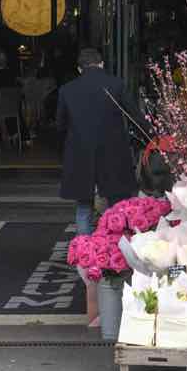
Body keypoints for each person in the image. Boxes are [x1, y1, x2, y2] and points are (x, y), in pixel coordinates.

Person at [56, 48, 139, 235]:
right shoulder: (116, 85)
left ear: (79, 68)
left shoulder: (67, 89)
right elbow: (135, 116)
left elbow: (60, 124)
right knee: (116, 206)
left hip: (80, 152)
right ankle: (115, 249)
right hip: (113, 152)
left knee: (83, 206)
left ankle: (84, 254)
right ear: (101, 64)